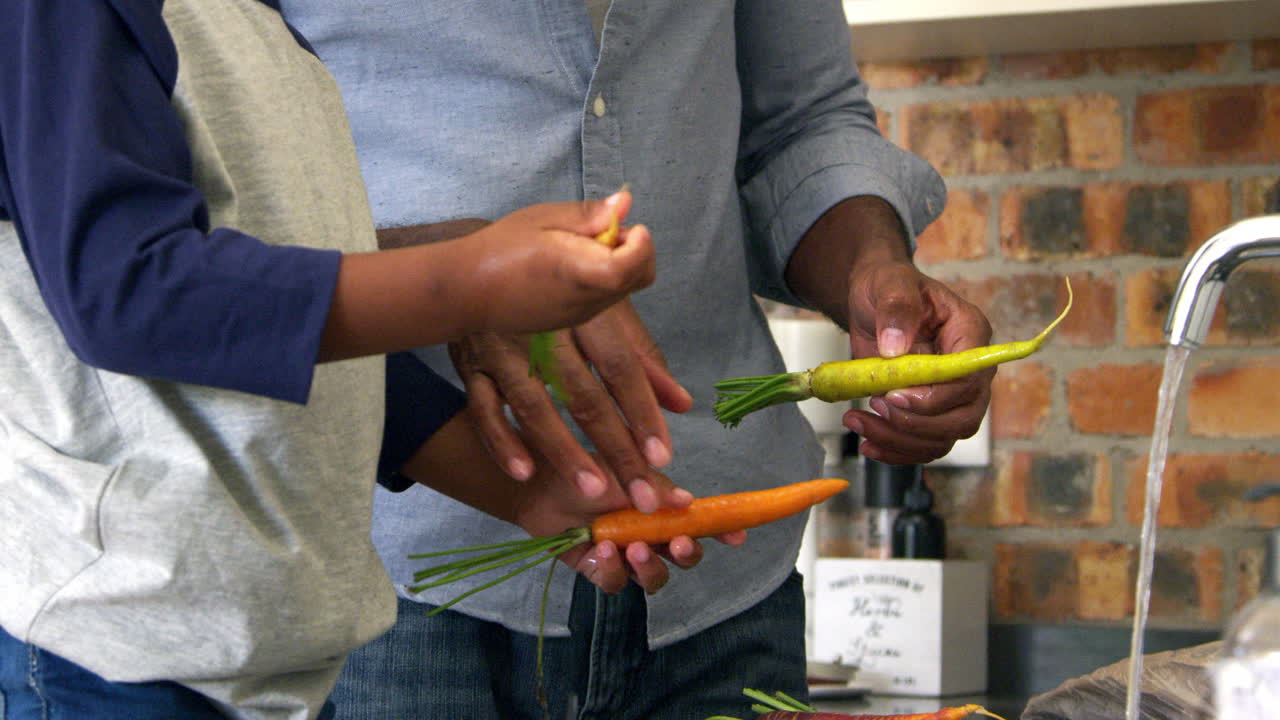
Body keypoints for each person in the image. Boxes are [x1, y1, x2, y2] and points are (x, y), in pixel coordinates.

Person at [282, 1, 996, 719]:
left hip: (723, 584)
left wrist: (869, 267)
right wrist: (453, 282)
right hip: (394, 581)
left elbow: (803, 123)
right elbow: (210, 230)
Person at [0, 2, 675, 719]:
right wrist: (470, 282)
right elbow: (130, 293)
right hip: (117, 655)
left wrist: (528, 495)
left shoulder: (259, 29)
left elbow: (286, 338)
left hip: (272, 663)